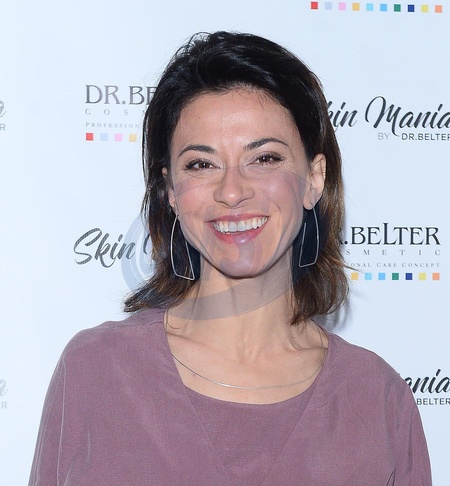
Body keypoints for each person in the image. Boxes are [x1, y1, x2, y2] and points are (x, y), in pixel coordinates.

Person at [29, 31, 431, 485]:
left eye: (264, 158)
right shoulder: (96, 372)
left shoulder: (377, 399)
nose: (233, 191)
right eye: (201, 164)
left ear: (314, 178)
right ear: (171, 191)